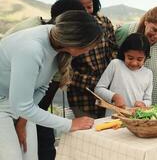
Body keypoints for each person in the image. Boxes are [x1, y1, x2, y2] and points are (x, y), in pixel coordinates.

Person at [0, 10, 102, 160]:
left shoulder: (57, 42)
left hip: (19, 105)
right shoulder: (31, 49)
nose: (89, 50)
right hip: (4, 103)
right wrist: (69, 124)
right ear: (75, 43)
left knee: (30, 156)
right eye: (89, 47)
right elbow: (22, 106)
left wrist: (22, 123)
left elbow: (41, 87)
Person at [61, 0, 118, 118]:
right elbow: (65, 70)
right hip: (82, 97)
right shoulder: (65, 30)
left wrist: (110, 81)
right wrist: (97, 84)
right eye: (82, 8)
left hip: (109, 94)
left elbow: (113, 53)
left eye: (90, 6)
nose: (87, 12)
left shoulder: (104, 22)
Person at [95, 33, 153, 109]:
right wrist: (114, 96)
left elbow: (148, 100)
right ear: (124, 53)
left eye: (139, 59)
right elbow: (98, 89)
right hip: (114, 117)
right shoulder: (115, 64)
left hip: (135, 119)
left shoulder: (148, 73)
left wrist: (143, 104)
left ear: (146, 57)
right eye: (130, 58)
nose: (134, 63)